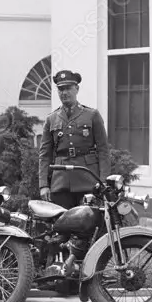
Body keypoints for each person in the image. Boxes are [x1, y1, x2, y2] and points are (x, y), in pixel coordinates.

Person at [38, 69, 112, 209]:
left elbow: (103, 151)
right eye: (60, 89)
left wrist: (103, 183)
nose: (64, 93)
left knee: (90, 224)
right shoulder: (51, 119)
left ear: (76, 89)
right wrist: (43, 185)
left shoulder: (91, 115)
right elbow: (45, 155)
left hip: (88, 179)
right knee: (63, 224)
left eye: (68, 88)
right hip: (61, 183)